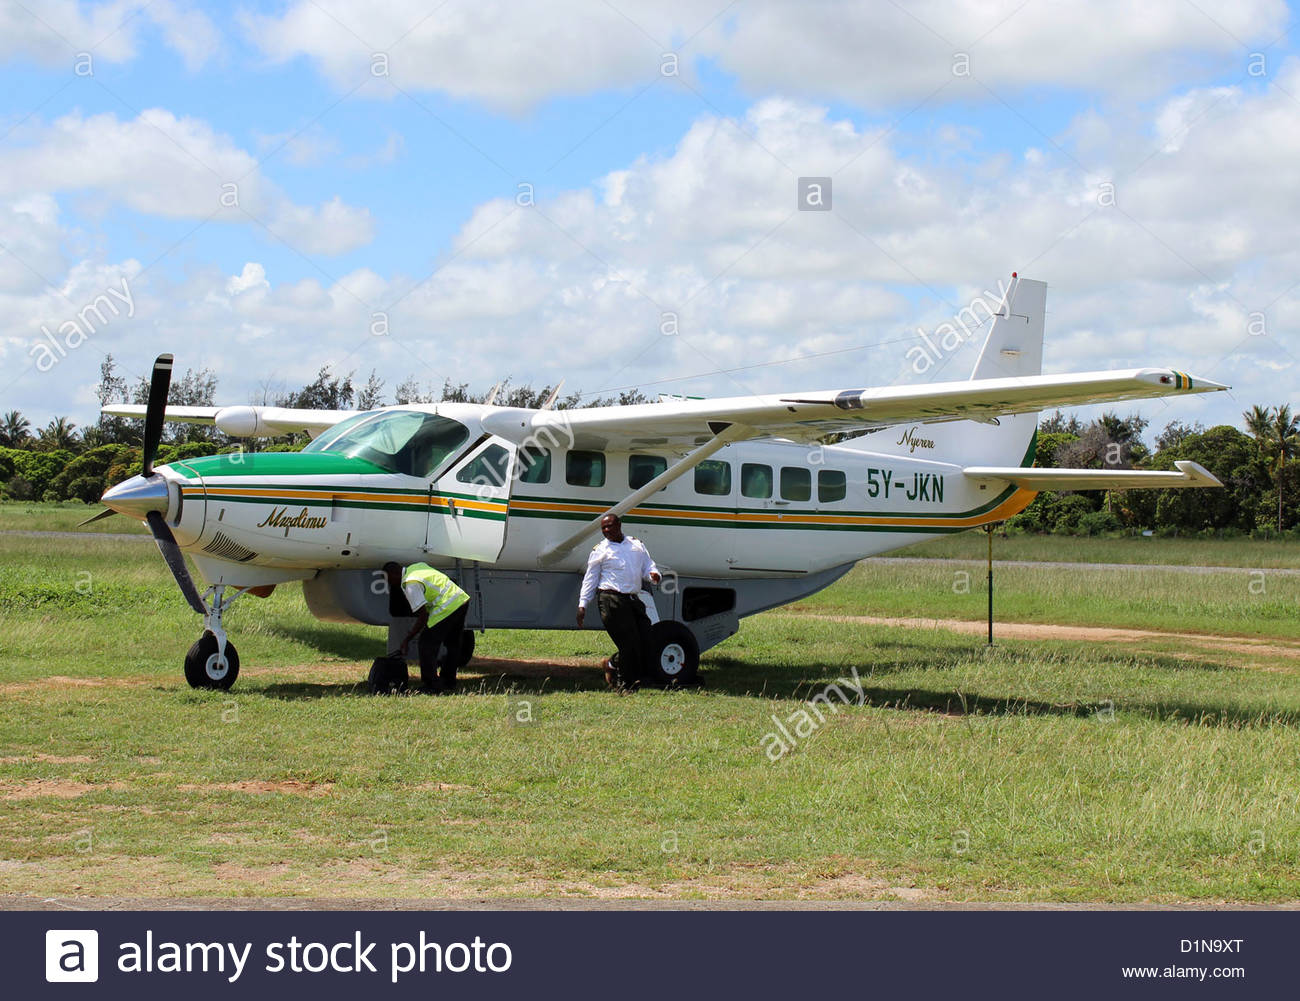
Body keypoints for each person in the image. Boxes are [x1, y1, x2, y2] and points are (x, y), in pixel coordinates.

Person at [576, 514, 661, 689]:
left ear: (619, 525)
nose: (606, 531)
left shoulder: (636, 545)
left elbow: (648, 566)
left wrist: (654, 575)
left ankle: (612, 664)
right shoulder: (600, 550)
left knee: (646, 638)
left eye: (609, 526)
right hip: (610, 599)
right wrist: (583, 604)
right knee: (628, 642)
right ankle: (624, 683)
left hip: (632, 598)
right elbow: (590, 579)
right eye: (603, 528)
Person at [383, 561, 470, 693]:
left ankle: (431, 685)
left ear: (394, 574)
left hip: (447, 605)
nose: (388, 583)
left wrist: (407, 639)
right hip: (460, 599)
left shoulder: (410, 584)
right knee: (452, 644)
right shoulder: (416, 567)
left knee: (426, 643)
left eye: (388, 578)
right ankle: (448, 681)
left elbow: (422, 616)